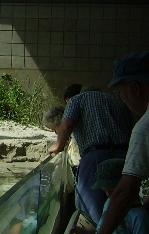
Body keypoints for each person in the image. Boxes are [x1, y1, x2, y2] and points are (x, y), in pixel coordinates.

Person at [91, 51, 149, 234]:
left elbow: (125, 191)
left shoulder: (145, 126)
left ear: (134, 88)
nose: (121, 99)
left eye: (120, 92)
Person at [48, 84, 134, 223]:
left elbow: (68, 124)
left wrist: (59, 145)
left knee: (88, 203)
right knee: (123, 201)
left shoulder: (77, 100)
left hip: (95, 155)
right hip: (123, 156)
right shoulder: (117, 101)